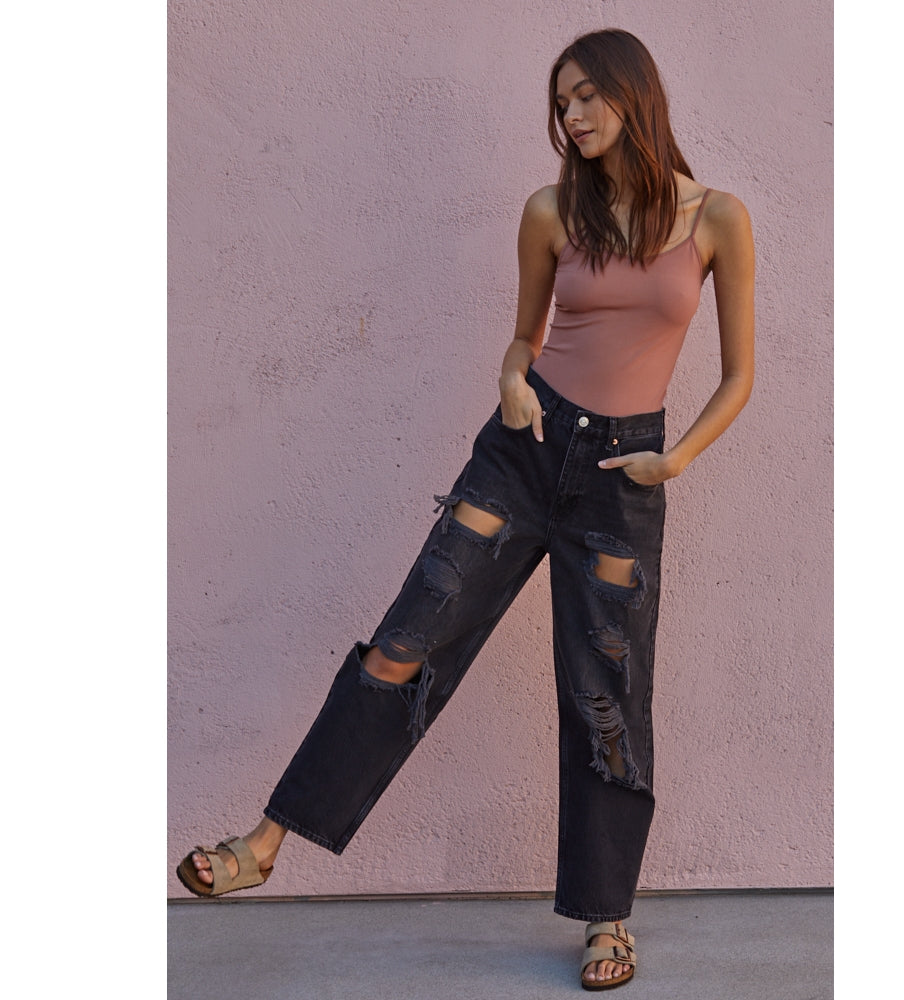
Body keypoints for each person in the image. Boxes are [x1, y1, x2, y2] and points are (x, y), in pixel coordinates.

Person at [174, 27, 755, 992]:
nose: (571, 116)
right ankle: (267, 842)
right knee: (406, 641)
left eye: (586, 96)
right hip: (521, 455)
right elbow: (523, 339)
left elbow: (739, 376)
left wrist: (677, 458)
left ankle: (607, 918)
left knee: (607, 697)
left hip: (626, 479)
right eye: (561, 103)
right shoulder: (550, 210)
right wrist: (513, 380)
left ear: (633, 94)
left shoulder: (718, 218)